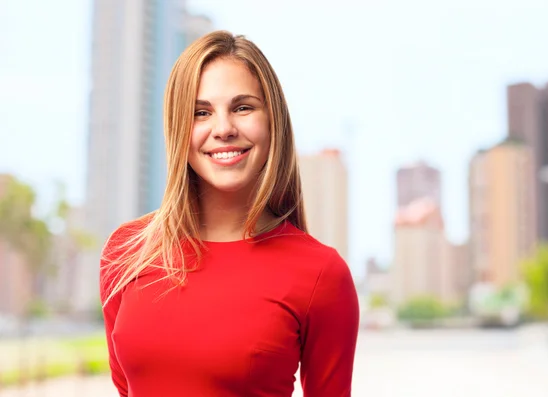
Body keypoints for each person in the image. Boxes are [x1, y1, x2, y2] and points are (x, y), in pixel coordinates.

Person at [100, 30, 359, 397]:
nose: (223, 129)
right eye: (200, 113)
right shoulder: (127, 251)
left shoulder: (322, 275)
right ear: (177, 128)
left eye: (242, 107)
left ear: (273, 122)